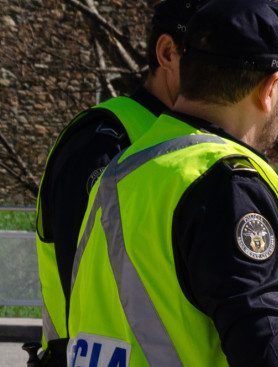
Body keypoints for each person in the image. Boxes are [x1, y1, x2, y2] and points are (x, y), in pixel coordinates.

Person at [66, 0, 278, 366]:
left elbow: (163, 308)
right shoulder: (227, 185)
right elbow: (270, 358)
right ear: (270, 88)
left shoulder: (127, 168)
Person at [32, 1, 208, 365]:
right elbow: (91, 285)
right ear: (167, 53)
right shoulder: (101, 143)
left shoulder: (200, 143)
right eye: (215, 56)